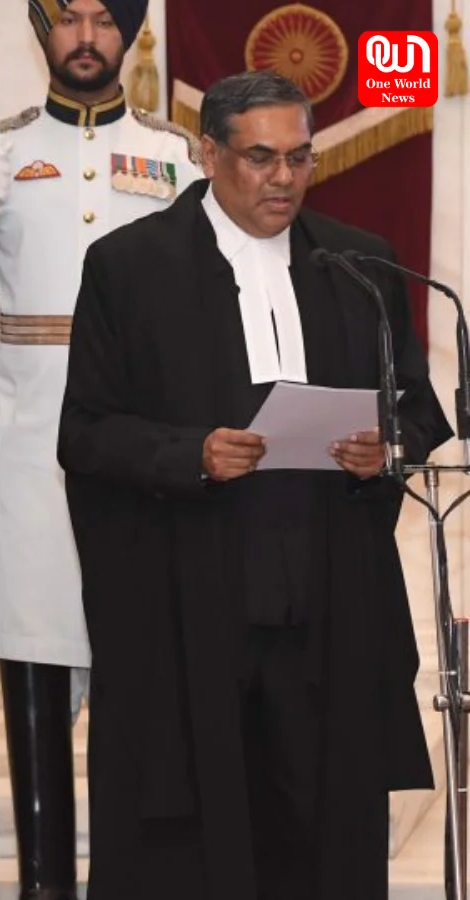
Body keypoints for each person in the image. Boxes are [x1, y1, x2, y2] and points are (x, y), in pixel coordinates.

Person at [58, 70, 449, 900]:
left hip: (328, 592)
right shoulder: (130, 267)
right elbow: (86, 432)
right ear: (208, 153)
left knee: (321, 822)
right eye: (261, 158)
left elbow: (417, 408)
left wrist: (388, 447)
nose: (284, 179)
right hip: (192, 594)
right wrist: (190, 453)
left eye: (300, 158)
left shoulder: (358, 264)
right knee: (193, 833)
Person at [0, 3, 200, 893]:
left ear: (130, 33)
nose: (84, 34)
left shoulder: (180, 156)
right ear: (39, 33)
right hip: (31, 472)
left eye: (103, 18)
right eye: (65, 17)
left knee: (138, 713)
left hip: (143, 470)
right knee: (30, 709)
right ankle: (43, 883)